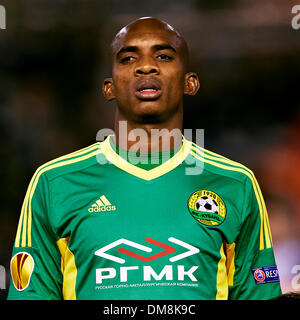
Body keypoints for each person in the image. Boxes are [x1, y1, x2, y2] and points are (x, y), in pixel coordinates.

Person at [7, 17, 281, 300]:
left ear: (190, 83)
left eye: (163, 56)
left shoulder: (235, 183)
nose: (146, 66)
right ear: (109, 88)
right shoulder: (54, 183)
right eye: (127, 58)